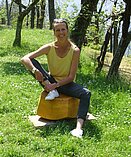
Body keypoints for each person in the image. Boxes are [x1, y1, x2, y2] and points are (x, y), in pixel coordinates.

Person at [21, 18, 91, 138]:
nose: (61, 32)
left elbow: (71, 77)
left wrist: (56, 85)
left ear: (67, 30)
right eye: (57, 30)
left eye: (63, 29)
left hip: (66, 84)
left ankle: (78, 129)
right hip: (49, 80)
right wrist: (34, 71)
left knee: (86, 93)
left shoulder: (75, 50)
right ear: (54, 32)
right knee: (32, 62)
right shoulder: (49, 47)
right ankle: (53, 91)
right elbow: (25, 58)